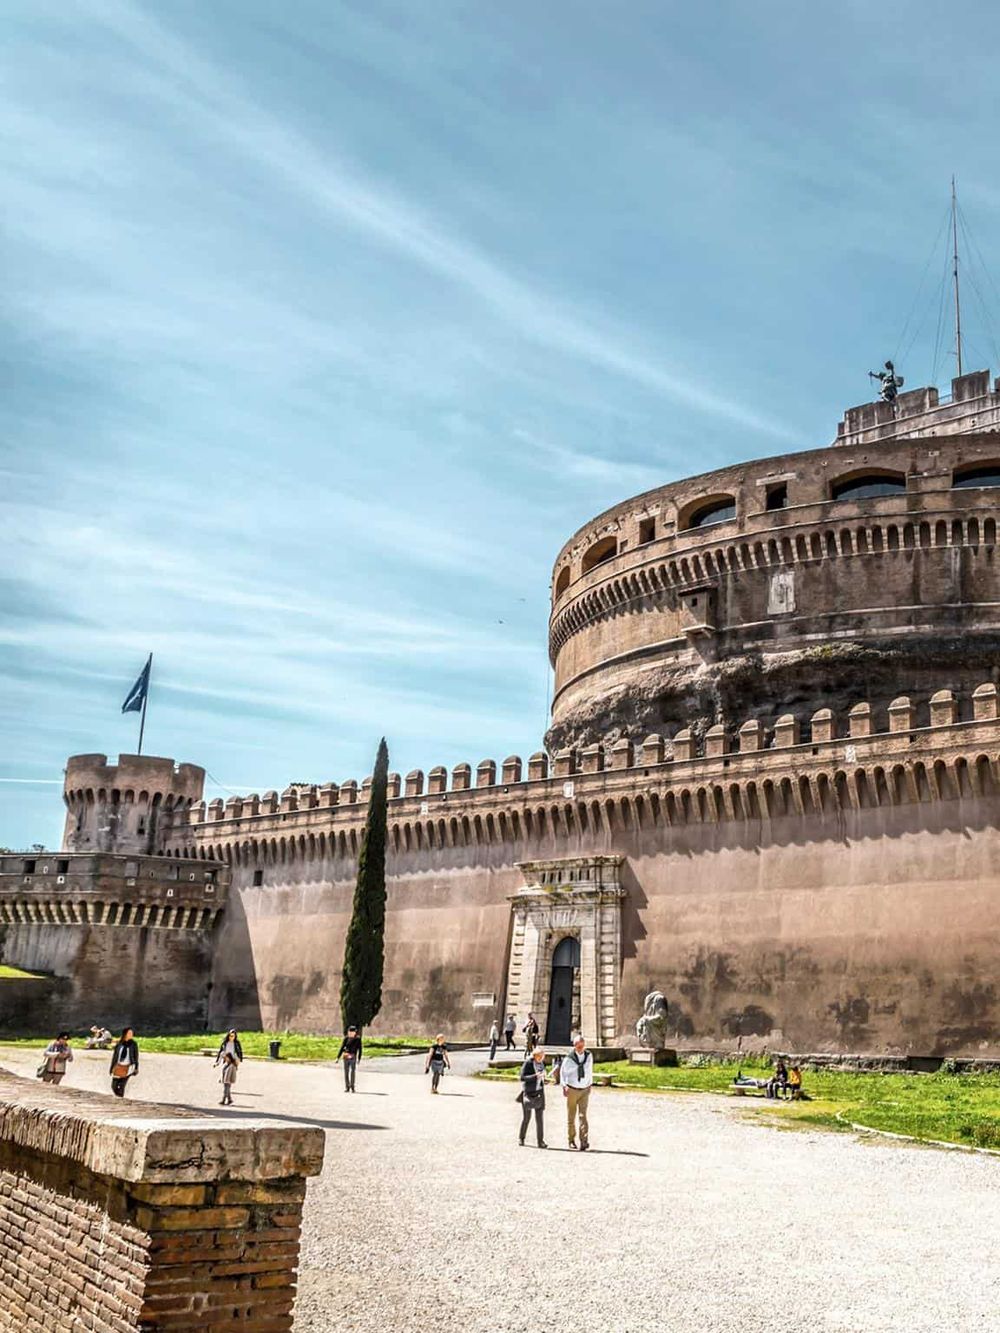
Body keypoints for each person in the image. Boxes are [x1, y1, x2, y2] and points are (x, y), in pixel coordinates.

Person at [561, 1033, 593, 1150]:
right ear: (574, 1046)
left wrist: (590, 1084)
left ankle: (584, 1141)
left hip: (584, 1088)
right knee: (571, 1116)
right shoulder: (569, 1059)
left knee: (583, 1116)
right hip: (572, 1089)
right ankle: (571, 1140)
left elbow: (590, 1070)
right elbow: (563, 1073)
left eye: (582, 1046)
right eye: (578, 1046)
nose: (580, 1048)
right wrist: (564, 1086)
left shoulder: (589, 1056)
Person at [518, 1046, 547, 1148]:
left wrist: (544, 1078)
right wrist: (535, 1076)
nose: (541, 1058)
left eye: (542, 1056)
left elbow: (541, 1077)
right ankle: (521, 1138)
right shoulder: (528, 1063)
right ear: (534, 1055)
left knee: (540, 1119)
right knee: (527, 1118)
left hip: (539, 1093)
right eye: (539, 1056)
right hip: (529, 1093)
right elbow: (522, 1077)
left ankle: (540, 1141)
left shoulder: (541, 1064)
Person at [109, 1027, 139, 1098]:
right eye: (129, 1033)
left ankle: (120, 1100)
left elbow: (136, 1056)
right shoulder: (119, 1044)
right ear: (125, 1034)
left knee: (122, 1086)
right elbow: (115, 1056)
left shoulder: (133, 1044)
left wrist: (136, 1068)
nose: (131, 1034)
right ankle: (119, 1097)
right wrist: (111, 1068)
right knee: (113, 1086)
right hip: (118, 1066)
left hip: (128, 1068)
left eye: (132, 1033)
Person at [336, 1025, 363, 1093]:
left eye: (352, 1032)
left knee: (352, 1072)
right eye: (349, 1032)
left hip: (353, 1056)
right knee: (346, 1072)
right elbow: (342, 1047)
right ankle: (347, 1087)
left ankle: (352, 1086)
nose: (350, 1033)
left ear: (355, 1032)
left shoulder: (358, 1039)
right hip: (346, 1056)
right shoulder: (346, 1038)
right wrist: (338, 1057)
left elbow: (360, 1049)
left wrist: (359, 1058)